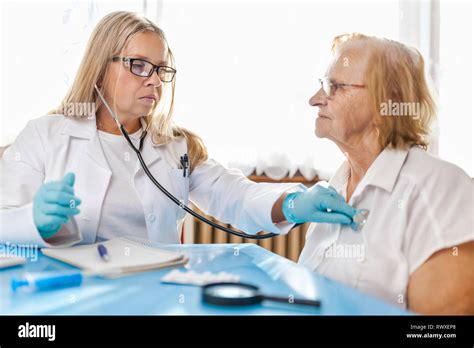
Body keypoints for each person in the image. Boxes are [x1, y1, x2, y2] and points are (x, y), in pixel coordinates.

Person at [0, 11, 358, 248]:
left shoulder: (175, 147)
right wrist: (32, 222)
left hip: (154, 295)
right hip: (69, 298)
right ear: (99, 65)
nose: (154, 80)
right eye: (138, 65)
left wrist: (293, 202)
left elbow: (235, 196)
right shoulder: (45, 136)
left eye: (160, 69)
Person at [298, 33, 474, 314]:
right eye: (322, 84)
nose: (315, 99)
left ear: (386, 104)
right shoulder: (338, 185)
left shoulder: (441, 189)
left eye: (335, 86)